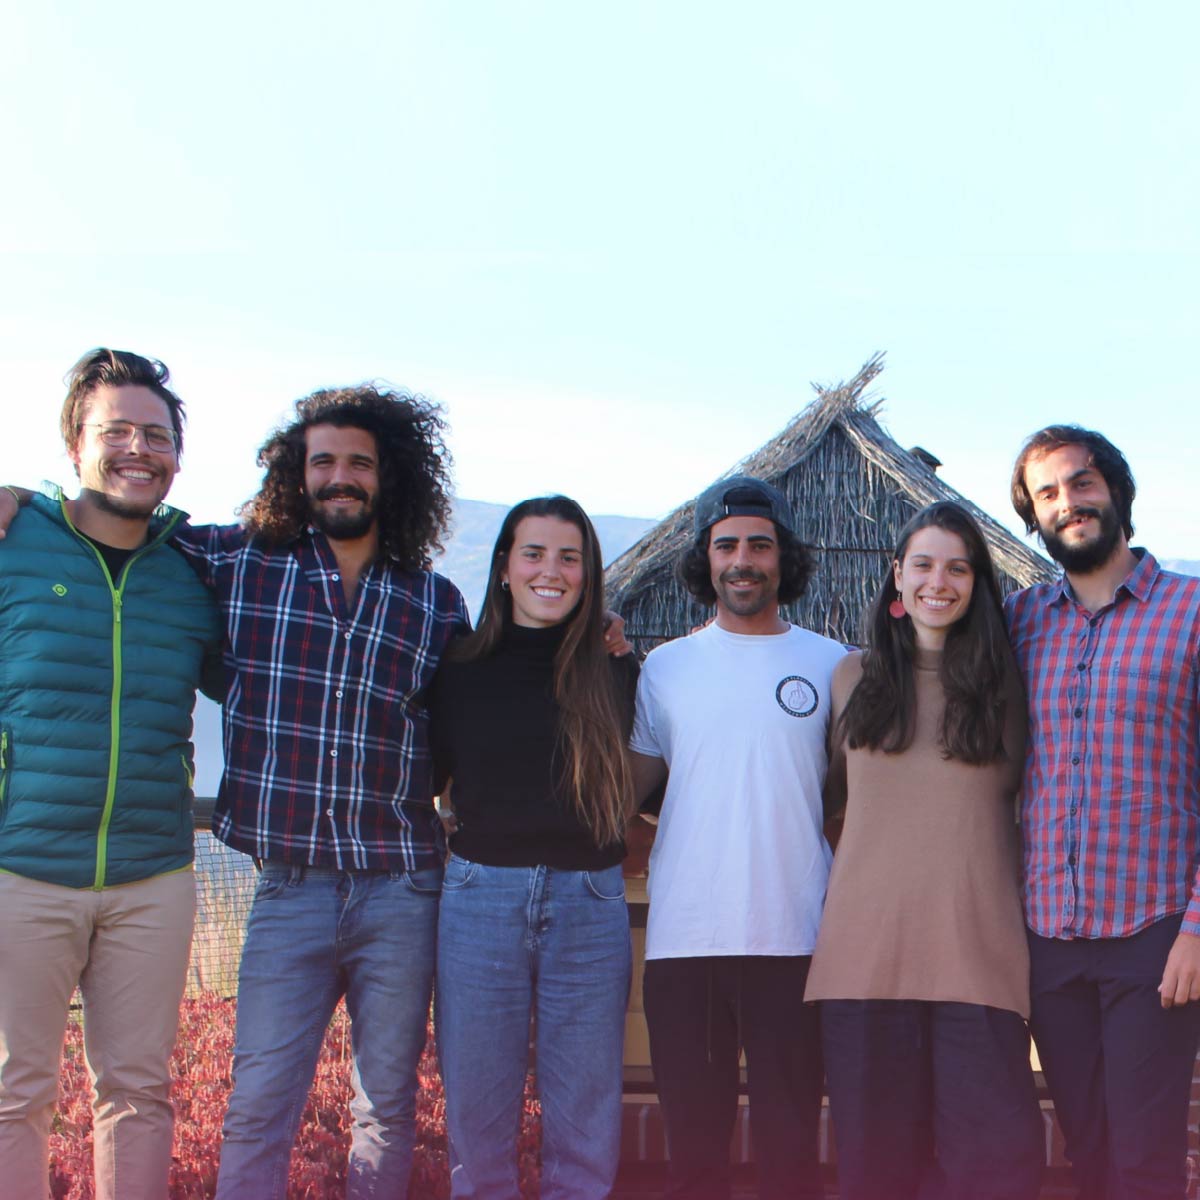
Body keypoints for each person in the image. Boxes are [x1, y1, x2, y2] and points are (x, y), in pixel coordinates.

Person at [168, 385, 469, 1200]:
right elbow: (131, 524)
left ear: (388, 476)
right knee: (259, 1104)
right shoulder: (240, 563)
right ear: (295, 474)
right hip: (289, 887)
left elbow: (480, 709)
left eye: (359, 463)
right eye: (323, 461)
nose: (341, 477)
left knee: (387, 1107)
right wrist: (30, 502)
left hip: (401, 887)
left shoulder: (433, 602)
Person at [0, 349, 222, 1200]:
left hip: (151, 875)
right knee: (14, 1092)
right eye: (117, 431)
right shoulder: (16, 543)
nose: (139, 450)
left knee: (138, 1093)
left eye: (157, 436)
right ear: (75, 446)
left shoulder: (191, 573)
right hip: (20, 869)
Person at [805, 500, 1043, 1200]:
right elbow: (822, 798)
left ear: (976, 585)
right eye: (924, 565)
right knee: (875, 1178)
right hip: (862, 967)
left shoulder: (1011, 687)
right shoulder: (849, 678)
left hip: (980, 968)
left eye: (958, 569)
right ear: (897, 575)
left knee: (994, 1177)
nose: (939, 582)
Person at [628, 475, 846, 1200]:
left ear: (784, 557)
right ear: (705, 559)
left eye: (759, 544)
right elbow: (630, 789)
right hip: (684, 943)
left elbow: (850, 795)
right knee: (695, 1157)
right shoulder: (664, 667)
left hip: (796, 939)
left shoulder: (832, 664)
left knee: (792, 1152)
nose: (742, 560)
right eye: (726, 546)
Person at [1006, 425, 1200, 1200]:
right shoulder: (1018, 622)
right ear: (1034, 516)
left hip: (1155, 934)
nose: (1068, 502)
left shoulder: (1191, 611)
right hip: (1047, 940)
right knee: (1086, 1151)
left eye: (1082, 482)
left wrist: (1197, 929)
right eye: (1047, 493)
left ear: (1116, 490)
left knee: (1145, 1159)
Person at [429, 495, 639, 1200]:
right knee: (477, 1107)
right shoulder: (457, 668)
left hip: (591, 900)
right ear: (503, 567)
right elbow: (426, 776)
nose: (552, 571)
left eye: (569, 557)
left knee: (584, 1111)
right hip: (479, 898)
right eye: (535, 553)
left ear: (588, 574)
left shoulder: (615, 668)